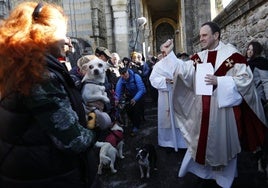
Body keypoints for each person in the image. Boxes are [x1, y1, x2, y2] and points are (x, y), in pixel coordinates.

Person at [0, 2, 102, 188]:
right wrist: (97, 123)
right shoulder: (39, 75)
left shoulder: (20, 68)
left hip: (28, 171)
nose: (68, 40)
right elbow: (74, 140)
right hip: (50, 175)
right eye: (63, 33)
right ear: (44, 34)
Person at [160, 22, 267, 188]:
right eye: (200, 35)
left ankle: (224, 180)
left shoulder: (233, 56)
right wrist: (169, 55)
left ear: (216, 35)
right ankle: (204, 174)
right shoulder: (200, 56)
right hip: (201, 113)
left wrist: (220, 81)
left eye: (204, 35)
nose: (200, 38)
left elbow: (246, 80)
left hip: (223, 113)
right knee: (200, 144)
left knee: (222, 146)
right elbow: (184, 70)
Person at [149, 50, 187, 152]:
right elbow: (152, 79)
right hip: (164, 96)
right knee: (166, 120)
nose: (165, 55)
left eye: (167, 52)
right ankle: (167, 142)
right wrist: (164, 80)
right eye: (164, 53)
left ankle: (182, 143)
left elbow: (187, 76)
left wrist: (177, 81)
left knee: (179, 120)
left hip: (178, 96)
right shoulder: (158, 65)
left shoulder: (180, 63)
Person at [114, 67, 146, 136]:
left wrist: (135, 99)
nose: (124, 75)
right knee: (128, 109)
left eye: (125, 72)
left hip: (140, 93)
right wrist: (116, 99)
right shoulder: (121, 80)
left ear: (127, 71)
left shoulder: (136, 76)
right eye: (122, 74)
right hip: (131, 95)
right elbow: (118, 91)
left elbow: (141, 89)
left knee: (137, 109)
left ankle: (136, 126)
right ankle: (134, 122)